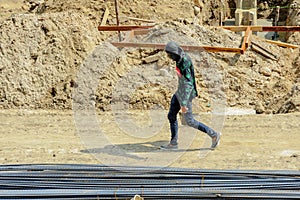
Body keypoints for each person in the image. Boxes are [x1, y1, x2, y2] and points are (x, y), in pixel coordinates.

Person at [161, 41, 221, 150]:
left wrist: (184, 104)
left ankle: (214, 135)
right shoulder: (179, 59)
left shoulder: (184, 61)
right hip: (180, 92)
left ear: (174, 53)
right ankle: (173, 143)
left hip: (186, 95)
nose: (168, 57)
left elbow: (188, 83)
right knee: (171, 115)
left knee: (190, 121)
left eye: (169, 55)